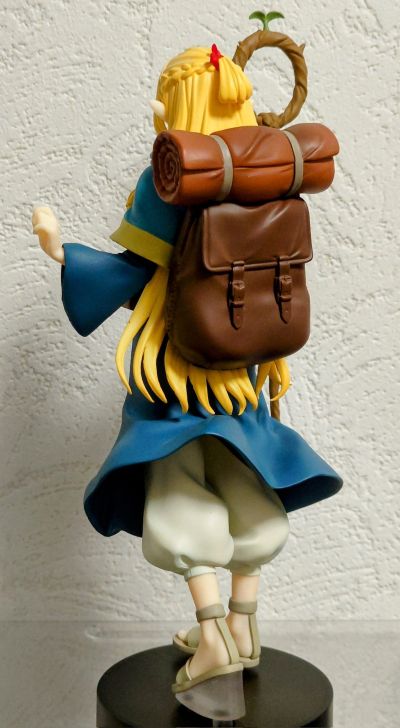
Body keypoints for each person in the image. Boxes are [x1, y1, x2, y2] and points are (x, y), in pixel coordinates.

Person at [33, 45, 342, 717]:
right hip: (244, 379)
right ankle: (243, 624)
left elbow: (134, 273)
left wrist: (63, 255)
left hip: (176, 379)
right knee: (246, 482)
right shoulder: (273, 175)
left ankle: (212, 639)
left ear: (168, 110)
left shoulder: (170, 181)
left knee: (177, 493)